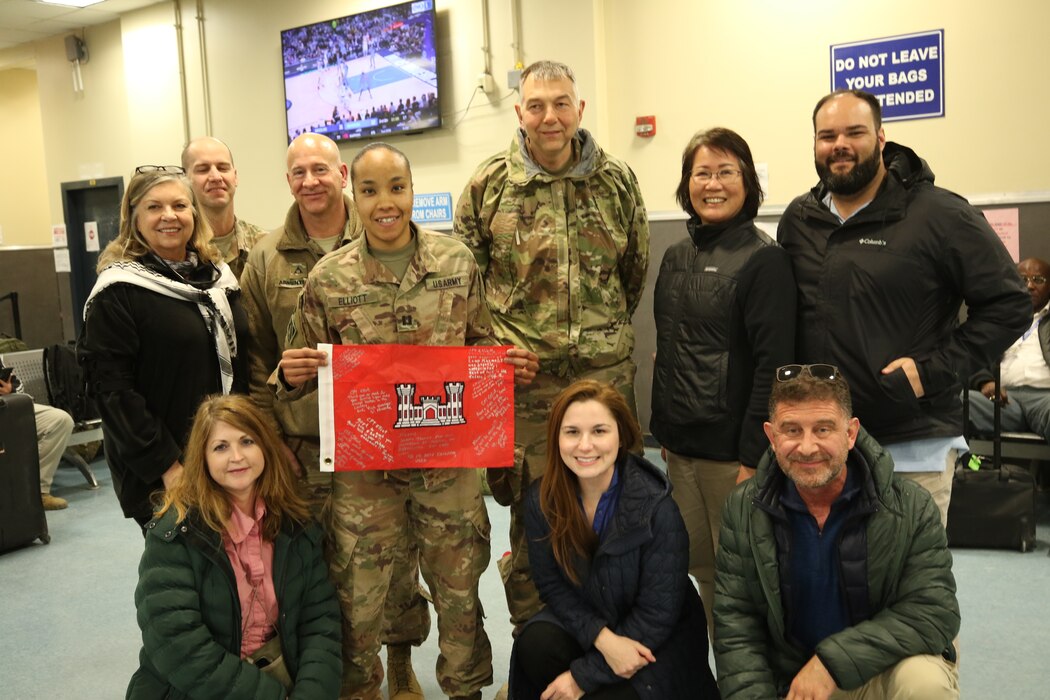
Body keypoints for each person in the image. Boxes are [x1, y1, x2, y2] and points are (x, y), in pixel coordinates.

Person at [277, 142, 540, 700]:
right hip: (366, 472)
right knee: (357, 594)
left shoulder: (456, 262)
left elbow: (480, 343)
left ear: (413, 190)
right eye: (369, 191)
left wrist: (507, 363)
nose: (384, 203)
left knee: (460, 591)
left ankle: (463, 689)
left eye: (396, 187)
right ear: (356, 195)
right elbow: (299, 362)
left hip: (446, 467)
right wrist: (292, 372)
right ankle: (361, 690)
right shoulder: (328, 278)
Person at [454, 59, 650, 631]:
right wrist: (497, 349)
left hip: (605, 381)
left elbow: (632, 272)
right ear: (519, 112)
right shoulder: (490, 184)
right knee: (534, 518)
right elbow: (468, 287)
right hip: (524, 387)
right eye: (536, 106)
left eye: (561, 103)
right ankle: (536, 644)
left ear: (579, 110)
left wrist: (597, 336)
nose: (549, 117)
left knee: (615, 509)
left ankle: (616, 637)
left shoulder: (615, 182)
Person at [777, 89, 1030, 525]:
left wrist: (933, 371)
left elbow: (1010, 304)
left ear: (880, 138)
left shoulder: (940, 215)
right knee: (827, 583)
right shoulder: (800, 220)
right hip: (820, 444)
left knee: (910, 586)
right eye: (827, 135)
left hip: (911, 444)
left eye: (854, 132)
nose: (839, 145)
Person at [239, 133, 430, 700]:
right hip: (305, 442)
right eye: (298, 172)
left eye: (320, 169)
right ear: (288, 180)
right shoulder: (266, 258)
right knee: (324, 563)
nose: (309, 181)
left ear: (342, 175)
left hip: (385, 437)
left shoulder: (380, 228)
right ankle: (343, 673)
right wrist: (268, 445)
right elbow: (257, 362)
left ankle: (400, 662)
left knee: (397, 559)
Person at [714, 364, 960, 699]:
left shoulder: (911, 506)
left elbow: (934, 611)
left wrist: (831, 663)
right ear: (772, 437)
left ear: (851, 433)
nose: (807, 447)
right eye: (792, 431)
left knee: (924, 683)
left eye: (823, 429)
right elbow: (737, 627)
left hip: (877, 672)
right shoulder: (743, 509)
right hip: (793, 684)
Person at [652, 127, 795, 635]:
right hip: (680, 451)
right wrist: (664, 436)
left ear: (748, 181)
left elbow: (774, 366)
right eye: (701, 172)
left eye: (726, 172)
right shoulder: (675, 257)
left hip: (732, 458)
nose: (713, 183)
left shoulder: (766, 260)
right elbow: (670, 351)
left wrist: (753, 456)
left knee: (745, 581)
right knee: (702, 572)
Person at [512, 380, 719, 700]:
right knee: (535, 644)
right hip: (597, 622)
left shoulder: (657, 508)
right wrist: (602, 639)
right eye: (572, 432)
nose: (585, 445)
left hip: (655, 640)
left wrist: (581, 677)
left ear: (621, 435)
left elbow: (657, 615)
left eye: (599, 431)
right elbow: (552, 586)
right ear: (556, 438)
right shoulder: (543, 500)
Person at [127, 394, 342, 699]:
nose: (237, 456)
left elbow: (320, 623)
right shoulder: (174, 535)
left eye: (247, 441)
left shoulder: (297, 525)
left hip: (278, 674)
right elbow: (179, 645)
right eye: (221, 447)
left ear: (266, 447)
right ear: (202, 458)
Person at [78, 166, 249, 529]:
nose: (169, 216)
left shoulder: (217, 280)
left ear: (194, 214)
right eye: (154, 207)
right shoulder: (119, 290)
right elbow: (113, 392)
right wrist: (169, 467)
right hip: (165, 470)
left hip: (227, 458)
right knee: (189, 577)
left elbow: (241, 362)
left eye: (180, 205)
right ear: (134, 218)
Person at [968, 257, 1050, 444]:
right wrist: (985, 381)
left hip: (1045, 398)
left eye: (1038, 280)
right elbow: (973, 355)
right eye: (1022, 279)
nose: (1029, 286)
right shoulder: (998, 319)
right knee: (952, 403)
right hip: (1003, 400)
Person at [181, 137, 268, 279]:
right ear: (185, 179)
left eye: (223, 168)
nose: (216, 177)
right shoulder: (177, 250)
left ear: (235, 176)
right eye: (203, 169)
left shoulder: (264, 246)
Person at [0, 357, 74, 510]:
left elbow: (17, 384)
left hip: (7, 405)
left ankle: (36, 492)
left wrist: (10, 390)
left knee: (60, 420)